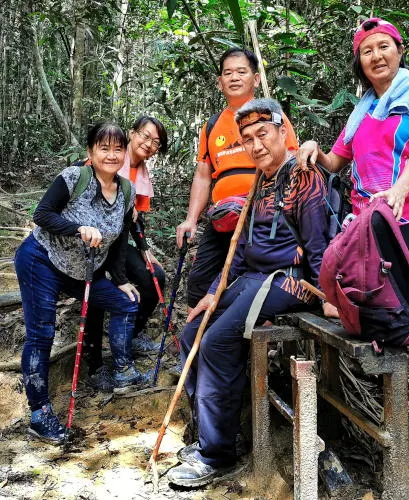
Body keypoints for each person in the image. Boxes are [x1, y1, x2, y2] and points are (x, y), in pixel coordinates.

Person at [296, 17, 409, 474]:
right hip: (366, 226)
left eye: (384, 47)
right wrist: (311, 149)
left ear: (399, 51)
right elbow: (336, 162)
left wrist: (400, 188)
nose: (377, 56)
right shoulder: (361, 109)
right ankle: (381, 407)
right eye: (368, 51)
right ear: (360, 63)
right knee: (370, 308)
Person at [167, 98, 332, 488]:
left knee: (218, 342)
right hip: (253, 279)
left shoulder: (303, 176)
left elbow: (319, 244)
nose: (256, 145)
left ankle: (216, 454)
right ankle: (223, 431)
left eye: (263, 134)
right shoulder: (260, 180)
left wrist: (328, 296)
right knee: (192, 333)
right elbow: (239, 252)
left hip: (290, 281)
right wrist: (211, 294)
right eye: (248, 139)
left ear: (282, 132)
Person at [15, 122, 149, 445]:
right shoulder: (74, 178)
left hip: (82, 272)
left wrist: (119, 280)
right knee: (42, 332)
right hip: (41, 260)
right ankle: (39, 413)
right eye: (104, 148)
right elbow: (42, 214)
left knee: (128, 302)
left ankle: (121, 370)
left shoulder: (127, 192)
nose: (112, 155)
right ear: (90, 152)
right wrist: (78, 229)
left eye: (118, 149)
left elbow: (118, 242)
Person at [176, 47, 298, 311]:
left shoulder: (272, 116)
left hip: (263, 214)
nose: (234, 78)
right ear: (219, 82)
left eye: (241, 72)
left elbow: (293, 164)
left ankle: (236, 341)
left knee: (247, 278)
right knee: (199, 282)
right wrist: (191, 219)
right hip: (222, 216)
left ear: (255, 79)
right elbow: (203, 175)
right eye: (227, 73)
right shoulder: (212, 125)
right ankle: (201, 341)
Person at [83, 116, 168, 391]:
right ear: (131, 134)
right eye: (145, 136)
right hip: (91, 241)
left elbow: (132, 219)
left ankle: (132, 335)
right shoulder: (111, 159)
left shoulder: (141, 174)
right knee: (98, 291)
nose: (149, 144)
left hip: (118, 242)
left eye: (156, 142)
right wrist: (117, 273)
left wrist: (144, 250)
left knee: (154, 276)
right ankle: (95, 366)